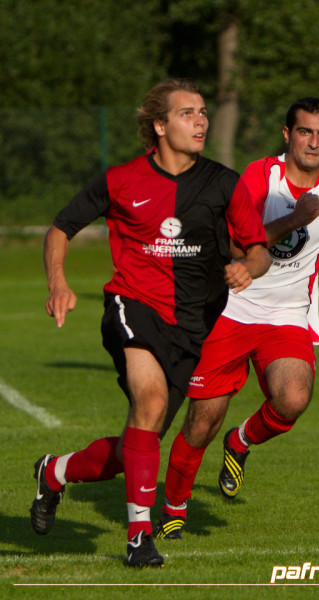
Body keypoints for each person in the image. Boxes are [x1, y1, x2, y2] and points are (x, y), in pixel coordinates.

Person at [29, 78, 270, 568]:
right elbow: (61, 228)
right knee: (152, 401)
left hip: (194, 325)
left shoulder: (224, 182)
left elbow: (260, 249)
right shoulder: (121, 179)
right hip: (133, 304)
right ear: (159, 126)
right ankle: (139, 537)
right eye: (187, 113)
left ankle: (54, 472)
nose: (200, 121)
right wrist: (57, 283)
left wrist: (250, 266)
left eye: (203, 112)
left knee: (137, 446)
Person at [154, 97, 319, 540]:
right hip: (231, 309)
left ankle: (241, 441)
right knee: (202, 422)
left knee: (293, 399)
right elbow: (239, 245)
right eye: (304, 132)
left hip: (288, 314)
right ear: (287, 134)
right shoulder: (260, 177)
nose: (313, 142)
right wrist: (297, 217)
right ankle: (174, 508)